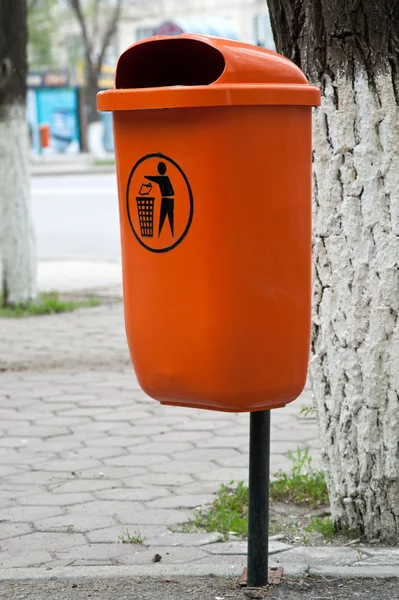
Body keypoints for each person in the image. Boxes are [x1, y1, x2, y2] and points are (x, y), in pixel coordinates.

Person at [145, 162, 174, 237]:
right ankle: (165, 234)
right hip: (170, 199)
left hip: (166, 200)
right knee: (168, 217)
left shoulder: (163, 178)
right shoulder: (166, 178)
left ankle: (161, 234)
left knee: (164, 217)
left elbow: (154, 178)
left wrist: (145, 177)